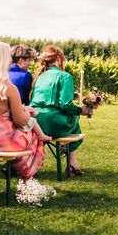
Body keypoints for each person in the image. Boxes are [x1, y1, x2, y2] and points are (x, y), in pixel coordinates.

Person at [0, 42, 48, 185]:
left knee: (23, 135)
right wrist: (26, 112)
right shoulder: (8, 87)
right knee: (35, 137)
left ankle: (19, 174)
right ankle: (26, 179)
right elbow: (21, 121)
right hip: (0, 141)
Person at [30, 46, 91, 175]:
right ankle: (71, 162)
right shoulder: (65, 76)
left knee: (72, 118)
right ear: (59, 59)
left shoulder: (39, 77)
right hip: (54, 123)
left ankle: (68, 162)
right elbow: (65, 105)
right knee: (75, 118)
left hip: (36, 122)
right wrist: (82, 110)